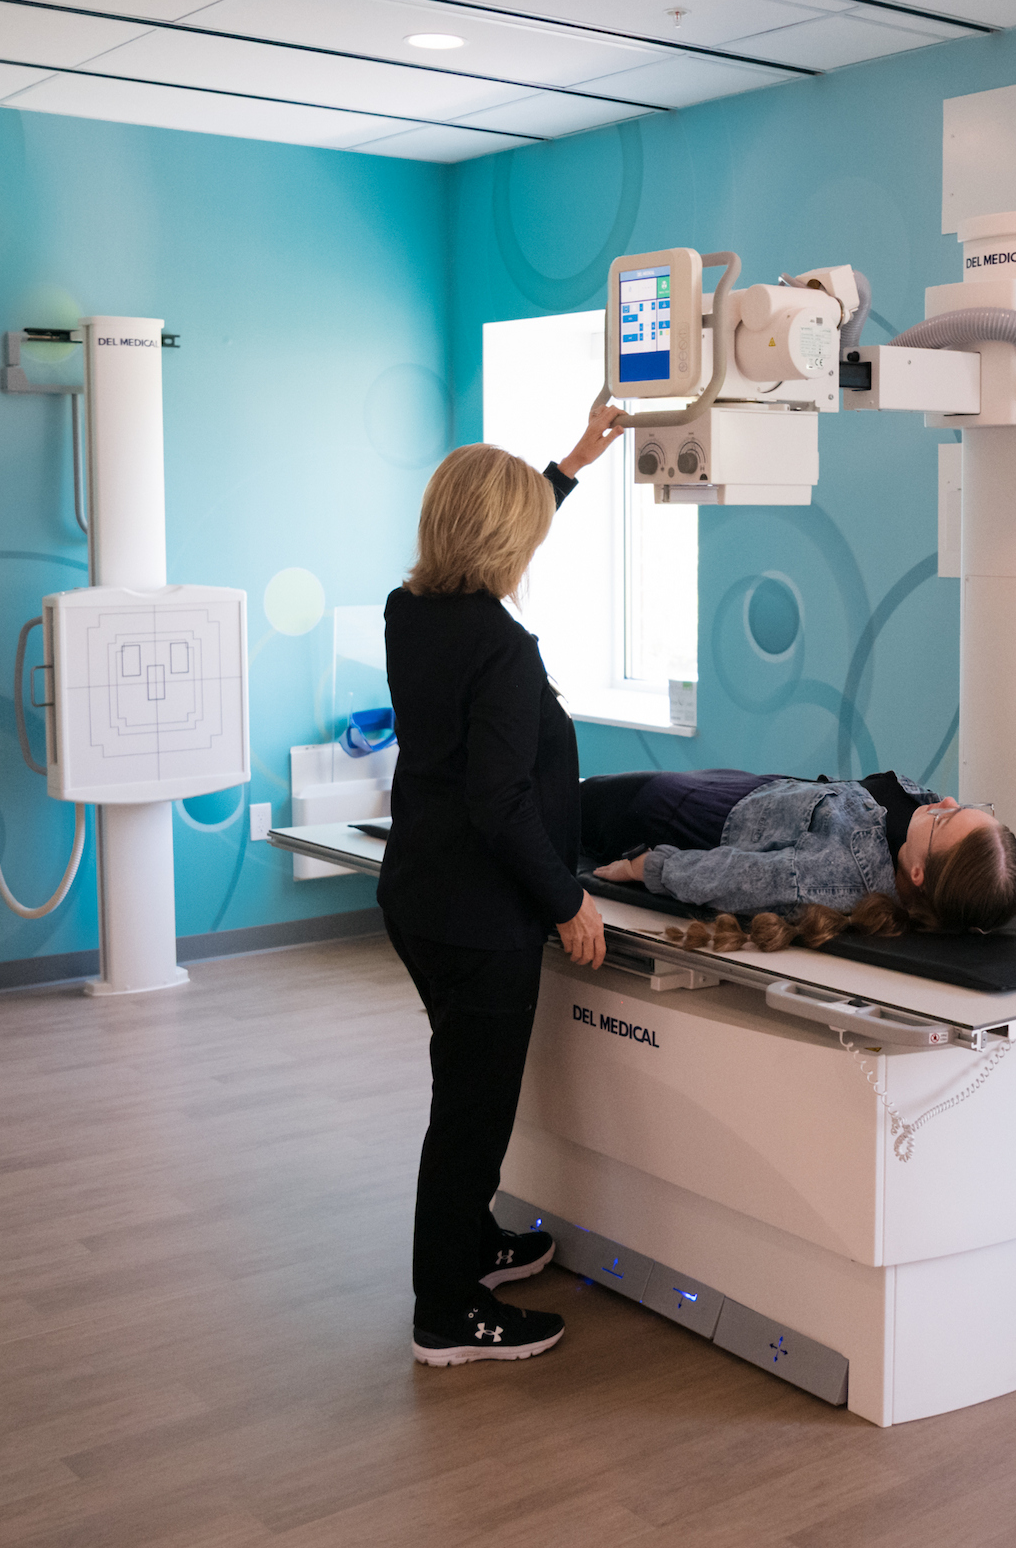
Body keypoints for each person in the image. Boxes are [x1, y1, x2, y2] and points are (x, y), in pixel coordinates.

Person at [378, 406, 623, 1369]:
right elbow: (501, 803)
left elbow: (494, 525)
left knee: (462, 1091)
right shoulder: (505, 651)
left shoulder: (412, 614)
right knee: (472, 1116)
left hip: (419, 898)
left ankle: (471, 1243)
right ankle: (447, 1310)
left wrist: (569, 466)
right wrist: (568, 903)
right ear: (503, 540)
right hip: (482, 918)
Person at [581, 768, 1016, 950]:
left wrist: (647, 867)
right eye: (967, 808)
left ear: (918, 873)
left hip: (690, 815)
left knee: (576, 796)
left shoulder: (834, 877)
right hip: (753, 787)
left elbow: (737, 878)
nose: (946, 800)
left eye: (948, 819)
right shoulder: (922, 829)